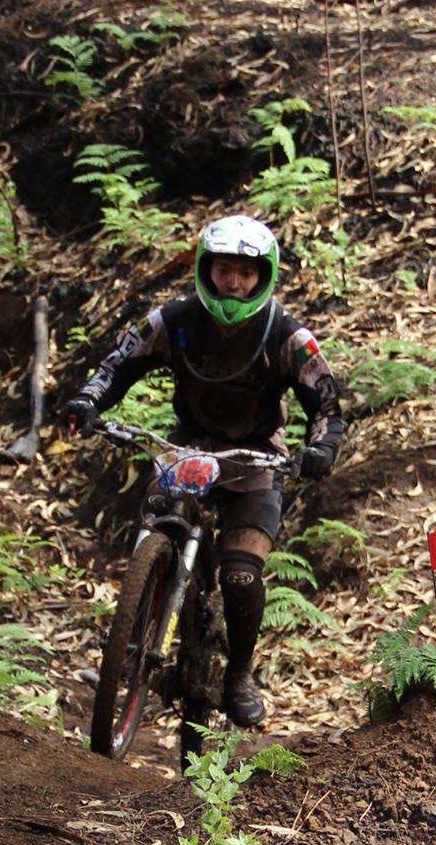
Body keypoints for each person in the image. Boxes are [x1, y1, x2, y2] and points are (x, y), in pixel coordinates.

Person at [60, 214, 345, 729]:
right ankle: (137, 620)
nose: (233, 283)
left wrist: (321, 449)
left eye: (246, 273)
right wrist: (87, 401)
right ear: (205, 270)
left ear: (264, 276)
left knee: (240, 575)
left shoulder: (288, 335)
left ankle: (238, 674)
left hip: (256, 456)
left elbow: (325, 404)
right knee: (154, 518)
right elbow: (117, 365)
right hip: (187, 447)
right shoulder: (173, 320)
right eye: (223, 271)